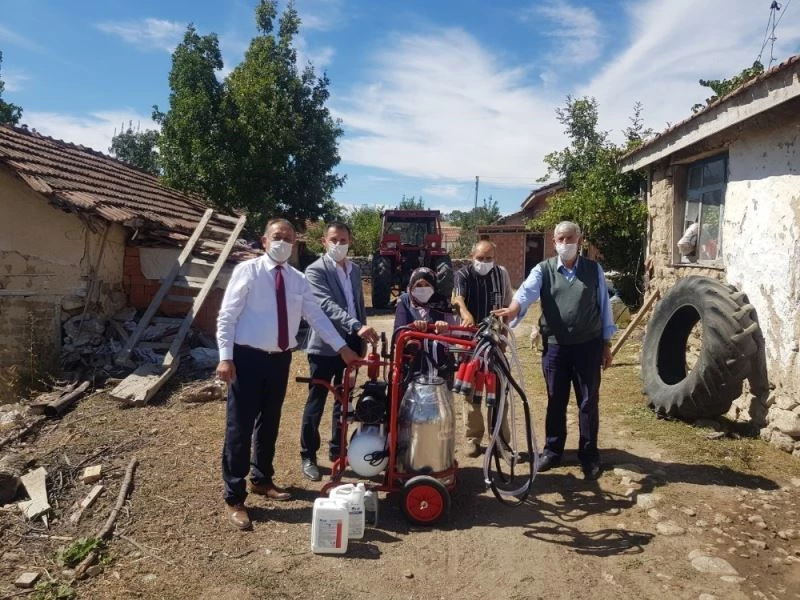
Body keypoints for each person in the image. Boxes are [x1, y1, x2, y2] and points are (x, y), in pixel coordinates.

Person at [216, 218, 359, 531]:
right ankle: (235, 497)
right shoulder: (248, 272)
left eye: (288, 238)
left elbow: (317, 317)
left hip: (280, 359)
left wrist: (342, 349)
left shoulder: (297, 279)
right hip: (247, 358)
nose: (282, 242)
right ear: (265, 241)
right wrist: (225, 358)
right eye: (277, 237)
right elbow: (227, 316)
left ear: (295, 244)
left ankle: (261, 478)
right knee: (239, 426)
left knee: (269, 422)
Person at [493, 221, 615, 481]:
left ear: (579, 240)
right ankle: (552, 450)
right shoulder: (544, 269)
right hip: (556, 348)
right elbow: (525, 292)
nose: (564, 243)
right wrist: (513, 309)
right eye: (560, 239)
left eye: (569, 238)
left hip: (588, 346)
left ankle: (589, 455)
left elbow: (604, 307)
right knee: (555, 399)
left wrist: (606, 344)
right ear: (555, 242)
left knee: (587, 401)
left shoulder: (594, 271)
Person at [300, 222, 378, 481]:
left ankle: (337, 451)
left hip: (352, 344)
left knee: (344, 401)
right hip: (324, 346)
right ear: (324, 241)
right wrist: (356, 326)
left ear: (350, 241)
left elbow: (358, 304)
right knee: (316, 401)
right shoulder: (314, 271)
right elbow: (326, 305)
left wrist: (361, 339)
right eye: (334, 240)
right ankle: (308, 456)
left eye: (343, 240)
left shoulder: (354, 270)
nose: (338, 244)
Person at [451, 240, 513, 457]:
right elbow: (458, 298)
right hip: (470, 342)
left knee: (498, 391)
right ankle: (473, 438)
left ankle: (501, 440)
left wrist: (503, 338)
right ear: (471, 256)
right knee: (472, 393)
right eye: (480, 258)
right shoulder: (463, 275)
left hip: (495, 340)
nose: (484, 263)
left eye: (489, 259)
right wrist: (466, 313)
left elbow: (506, 305)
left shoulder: (501, 274)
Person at [393, 267, 458, 334]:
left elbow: (454, 333)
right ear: (412, 286)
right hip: (412, 341)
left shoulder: (443, 303)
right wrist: (414, 328)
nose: (423, 289)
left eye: (427, 285)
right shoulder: (405, 301)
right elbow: (398, 333)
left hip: (437, 342)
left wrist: (444, 328)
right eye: (418, 285)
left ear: (433, 286)